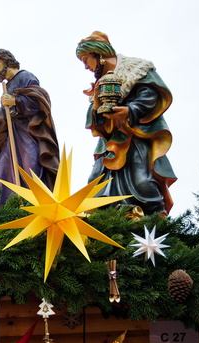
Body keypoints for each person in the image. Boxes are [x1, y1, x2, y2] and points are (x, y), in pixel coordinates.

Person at [76, 31, 177, 215]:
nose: (85, 66)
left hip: (136, 138)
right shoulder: (99, 84)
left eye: (85, 59)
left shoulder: (136, 68)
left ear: (97, 54)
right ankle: (108, 229)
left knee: (143, 182)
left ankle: (158, 225)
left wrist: (130, 110)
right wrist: (97, 99)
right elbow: (96, 121)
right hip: (111, 144)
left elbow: (151, 95)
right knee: (95, 188)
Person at [0, 49, 59, 206]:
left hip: (28, 134)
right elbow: (5, 114)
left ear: (5, 61)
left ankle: (37, 214)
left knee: (31, 172)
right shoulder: (8, 85)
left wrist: (16, 101)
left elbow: (39, 101)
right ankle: (4, 217)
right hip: (10, 140)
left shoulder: (25, 77)